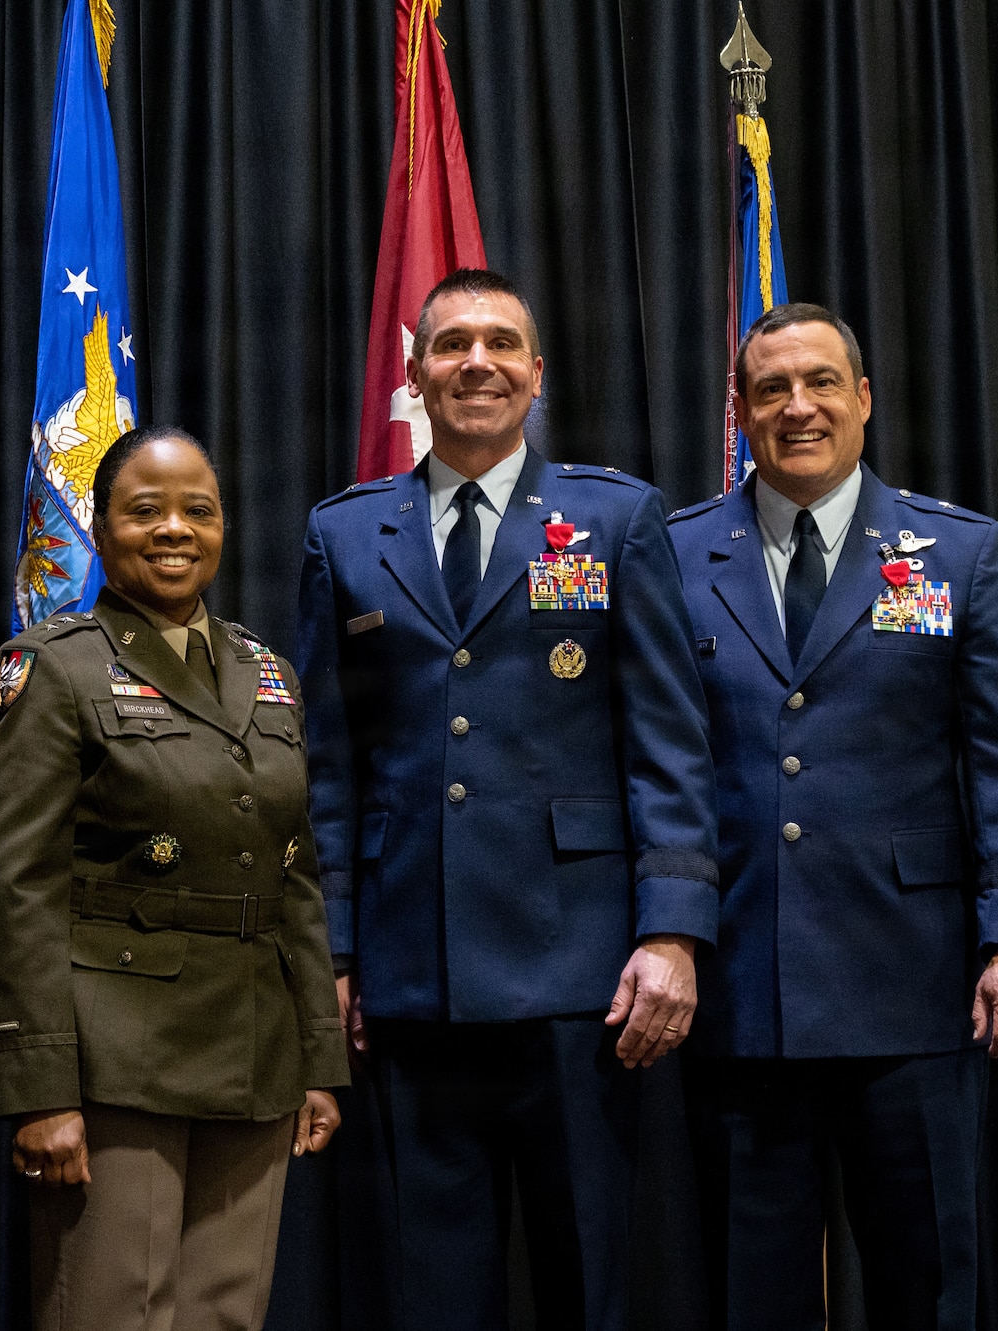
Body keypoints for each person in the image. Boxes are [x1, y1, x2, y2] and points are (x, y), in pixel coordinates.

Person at [296, 268, 719, 1330]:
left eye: (497, 343)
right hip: (410, 967)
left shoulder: (614, 518)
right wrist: (334, 953)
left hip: (579, 971)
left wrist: (670, 929)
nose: (473, 361)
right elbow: (328, 766)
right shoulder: (344, 535)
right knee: (428, 1288)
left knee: (588, 1277)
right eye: (449, 345)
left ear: (535, 371)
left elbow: (667, 739)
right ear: (412, 373)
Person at [667, 303, 998, 1330]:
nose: (796, 406)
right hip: (740, 995)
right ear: (740, 410)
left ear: (862, 399)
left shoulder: (955, 553)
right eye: (769, 389)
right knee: (748, 1292)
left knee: (924, 1280)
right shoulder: (670, 556)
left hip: (912, 988)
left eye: (819, 382)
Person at [0, 425, 348, 1331]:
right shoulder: (53, 667)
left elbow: (294, 875)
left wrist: (319, 1058)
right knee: (113, 1313)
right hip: (113, 1064)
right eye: (145, 511)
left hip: (256, 1055)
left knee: (226, 1315)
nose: (174, 528)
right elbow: (13, 889)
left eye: (198, 511)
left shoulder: (269, 673)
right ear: (98, 532)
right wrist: (40, 1088)